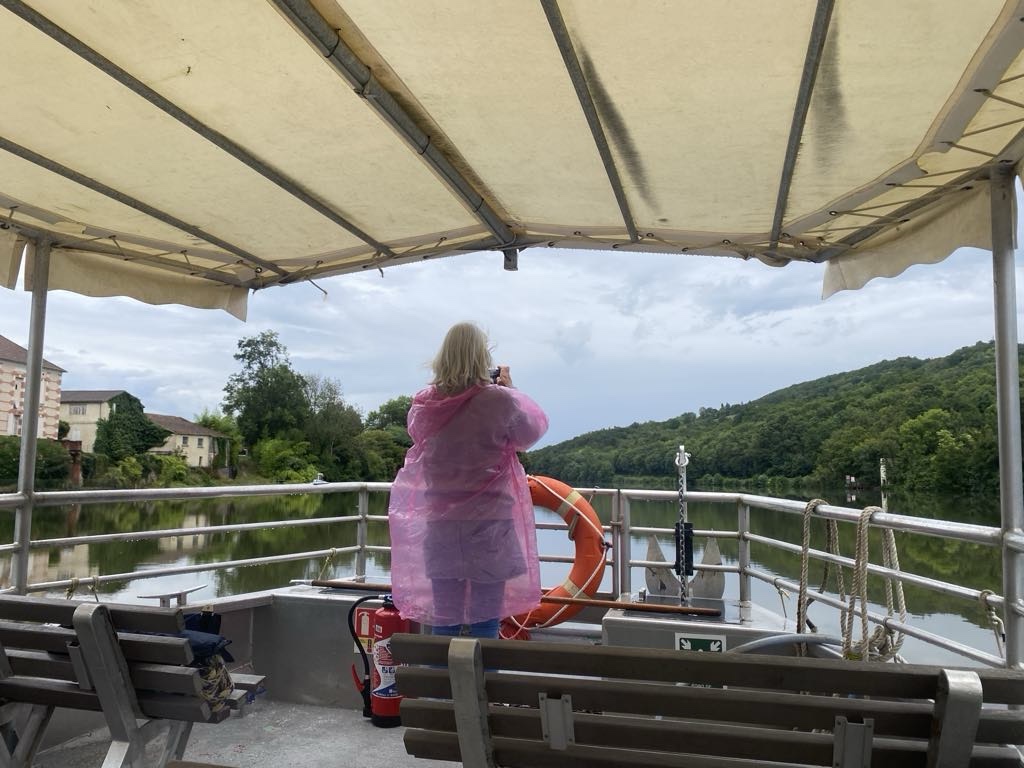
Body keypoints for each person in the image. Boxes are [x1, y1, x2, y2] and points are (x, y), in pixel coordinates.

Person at [387, 322, 549, 638]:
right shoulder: (499, 400)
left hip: (441, 525)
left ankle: (439, 672)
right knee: (486, 619)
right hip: (490, 524)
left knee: (444, 618)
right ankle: (479, 672)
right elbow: (529, 435)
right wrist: (511, 390)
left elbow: (418, 437)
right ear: (482, 356)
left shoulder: (425, 403)